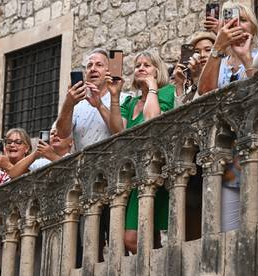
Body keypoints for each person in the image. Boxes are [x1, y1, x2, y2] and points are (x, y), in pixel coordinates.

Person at [106, 50, 175, 253]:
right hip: (134, 173)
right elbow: (118, 129)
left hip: (156, 169)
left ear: (157, 70)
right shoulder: (130, 102)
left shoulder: (167, 92)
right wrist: (115, 96)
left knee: (133, 238)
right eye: (138, 66)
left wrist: (152, 87)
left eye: (147, 65)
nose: (141, 68)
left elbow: (152, 118)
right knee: (145, 236)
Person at [55, 48, 126, 151]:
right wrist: (68, 102)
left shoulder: (124, 99)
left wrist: (99, 105)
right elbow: (61, 133)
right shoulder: (77, 104)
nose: (93, 69)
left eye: (99, 65)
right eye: (89, 66)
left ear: (109, 71)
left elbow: (121, 133)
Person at [198, 2, 258, 95]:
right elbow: (204, 92)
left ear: (253, 28)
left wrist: (246, 59)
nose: (237, 25)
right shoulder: (219, 62)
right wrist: (218, 45)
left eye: (242, 20)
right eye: (232, 21)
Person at [6, 125, 73, 178]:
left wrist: (52, 155)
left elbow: (72, 173)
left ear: (71, 142)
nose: (55, 135)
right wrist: (36, 153)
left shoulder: (75, 157)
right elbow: (13, 174)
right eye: (52, 133)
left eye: (61, 133)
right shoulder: (41, 162)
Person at [174, 32, 216, 106]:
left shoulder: (223, 74)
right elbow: (183, 110)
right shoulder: (193, 84)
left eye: (208, 50)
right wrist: (179, 84)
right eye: (197, 52)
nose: (202, 55)